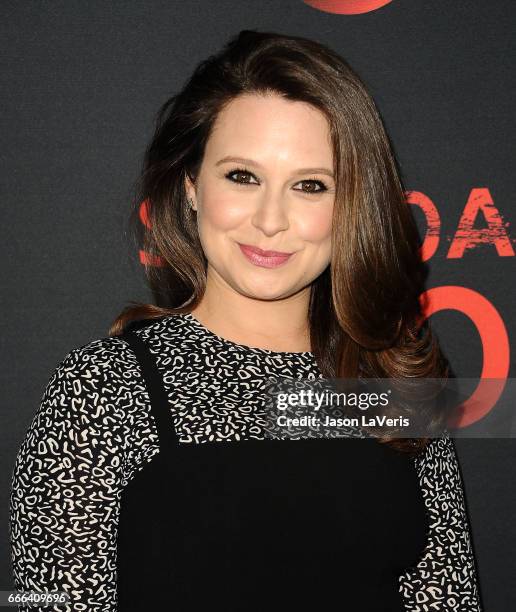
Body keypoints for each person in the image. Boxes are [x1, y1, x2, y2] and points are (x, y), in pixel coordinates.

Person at [9, 29, 483, 611]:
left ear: (352, 206)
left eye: (310, 186)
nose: (270, 220)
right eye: (242, 176)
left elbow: (446, 596)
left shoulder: (389, 381)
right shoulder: (105, 388)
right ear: (190, 188)